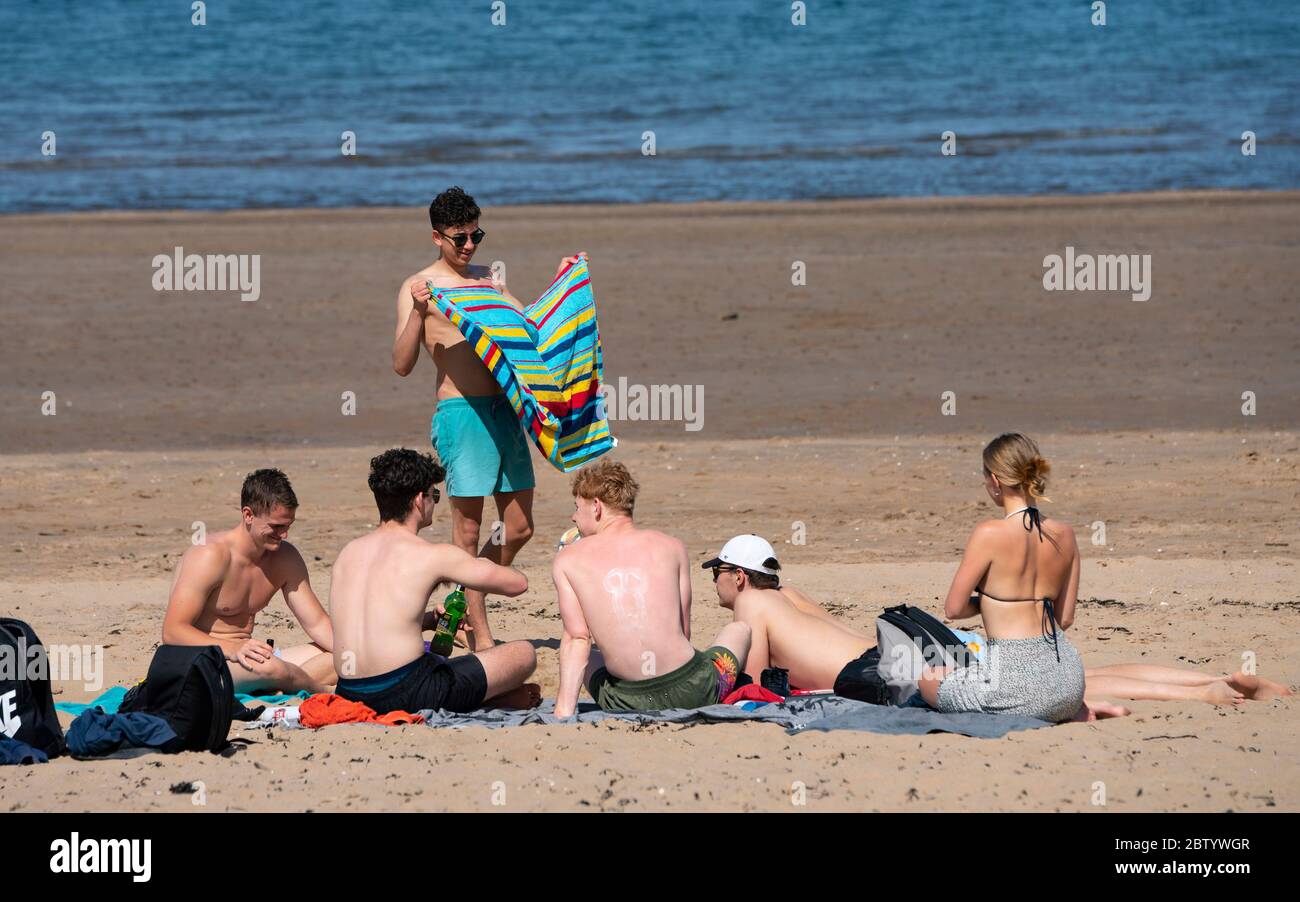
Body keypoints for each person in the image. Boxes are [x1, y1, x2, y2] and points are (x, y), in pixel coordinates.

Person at [393, 185, 586, 652]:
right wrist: (419, 313)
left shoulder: (488, 280)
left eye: (476, 235)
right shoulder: (420, 286)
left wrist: (566, 284)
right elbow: (401, 363)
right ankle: (482, 640)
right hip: (461, 413)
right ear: (436, 237)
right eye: (459, 238)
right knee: (469, 532)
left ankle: (459, 597)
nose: (469, 246)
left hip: (506, 412)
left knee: (520, 527)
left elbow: (533, 331)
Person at [328, 449, 541, 713]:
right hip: (410, 692)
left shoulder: (348, 553)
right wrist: (481, 563)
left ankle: (486, 698)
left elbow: (375, 623)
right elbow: (517, 584)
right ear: (419, 499)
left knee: (438, 665)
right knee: (523, 653)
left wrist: (428, 620)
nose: (434, 503)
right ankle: (488, 699)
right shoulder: (432, 555)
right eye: (434, 495)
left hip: (349, 692)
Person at [552, 460, 750, 717]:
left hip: (626, 700)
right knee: (739, 629)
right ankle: (754, 688)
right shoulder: (672, 546)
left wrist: (563, 712)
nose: (573, 516)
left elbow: (576, 638)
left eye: (577, 508)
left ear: (597, 507)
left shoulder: (568, 559)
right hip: (696, 691)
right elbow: (683, 631)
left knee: (586, 652)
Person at [917, 433, 1086, 722]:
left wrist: (989, 604)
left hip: (1011, 681)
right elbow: (1065, 619)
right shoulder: (1065, 534)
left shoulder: (989, 533)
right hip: (1069, 680)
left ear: (995, 480)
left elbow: (954, 609)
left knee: (928, 678)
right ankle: (1075, 710)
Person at [162, 468, 335, 694]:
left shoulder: (285, 557)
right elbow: (172, 631)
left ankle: (281, 685)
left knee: (342, 658)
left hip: (252, 659)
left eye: (288, 526)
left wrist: (357, 653)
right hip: (203, 661)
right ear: (248, 515)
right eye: (276, 527)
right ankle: (325, 691)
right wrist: (233, 648)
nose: (284, 535)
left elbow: (317, 623)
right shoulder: (210, 555)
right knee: (274, 668)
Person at [708, 535, 873, 690]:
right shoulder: (789, 594)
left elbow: (754, 686)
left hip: (869, 675)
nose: (715, 580)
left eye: (717, 571)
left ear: (739, 576)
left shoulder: (749, 600)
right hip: (882, 654)